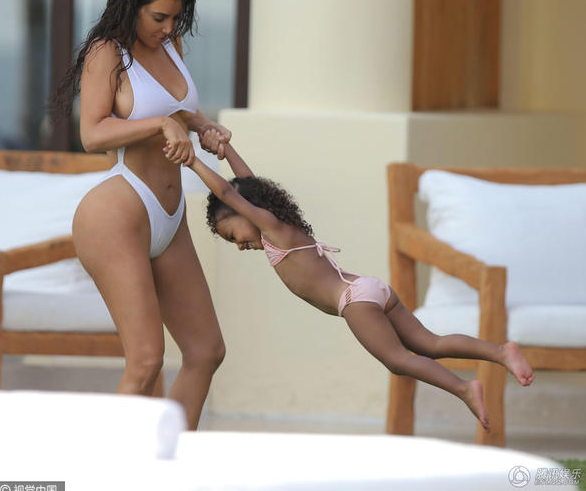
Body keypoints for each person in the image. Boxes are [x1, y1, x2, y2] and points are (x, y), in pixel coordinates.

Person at [184, 136, 535, 431]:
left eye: (233, 236)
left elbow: (230, 193)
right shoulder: (281, 223)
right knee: (430, 342)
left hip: (354, 301)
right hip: (369, 288)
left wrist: (192, 161)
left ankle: (464, 389)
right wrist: (227, 151)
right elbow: (247, 183)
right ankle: (500, 352)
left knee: (399, 361)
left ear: (246, 211)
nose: (240, 245)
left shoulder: (273, 229)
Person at [52, 0, 229, 429]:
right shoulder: (108, 53)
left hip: (169, 217)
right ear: (133, 6)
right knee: (147, 360)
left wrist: (203, 126)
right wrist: (160, 125)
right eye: (159, 17)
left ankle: (167, 462)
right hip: (118, 213)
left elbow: (177, 113)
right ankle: (111, 466)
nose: (168, 28)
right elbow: (93, 133)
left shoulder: (171, 47)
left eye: (176, 18)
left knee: (206, 351)